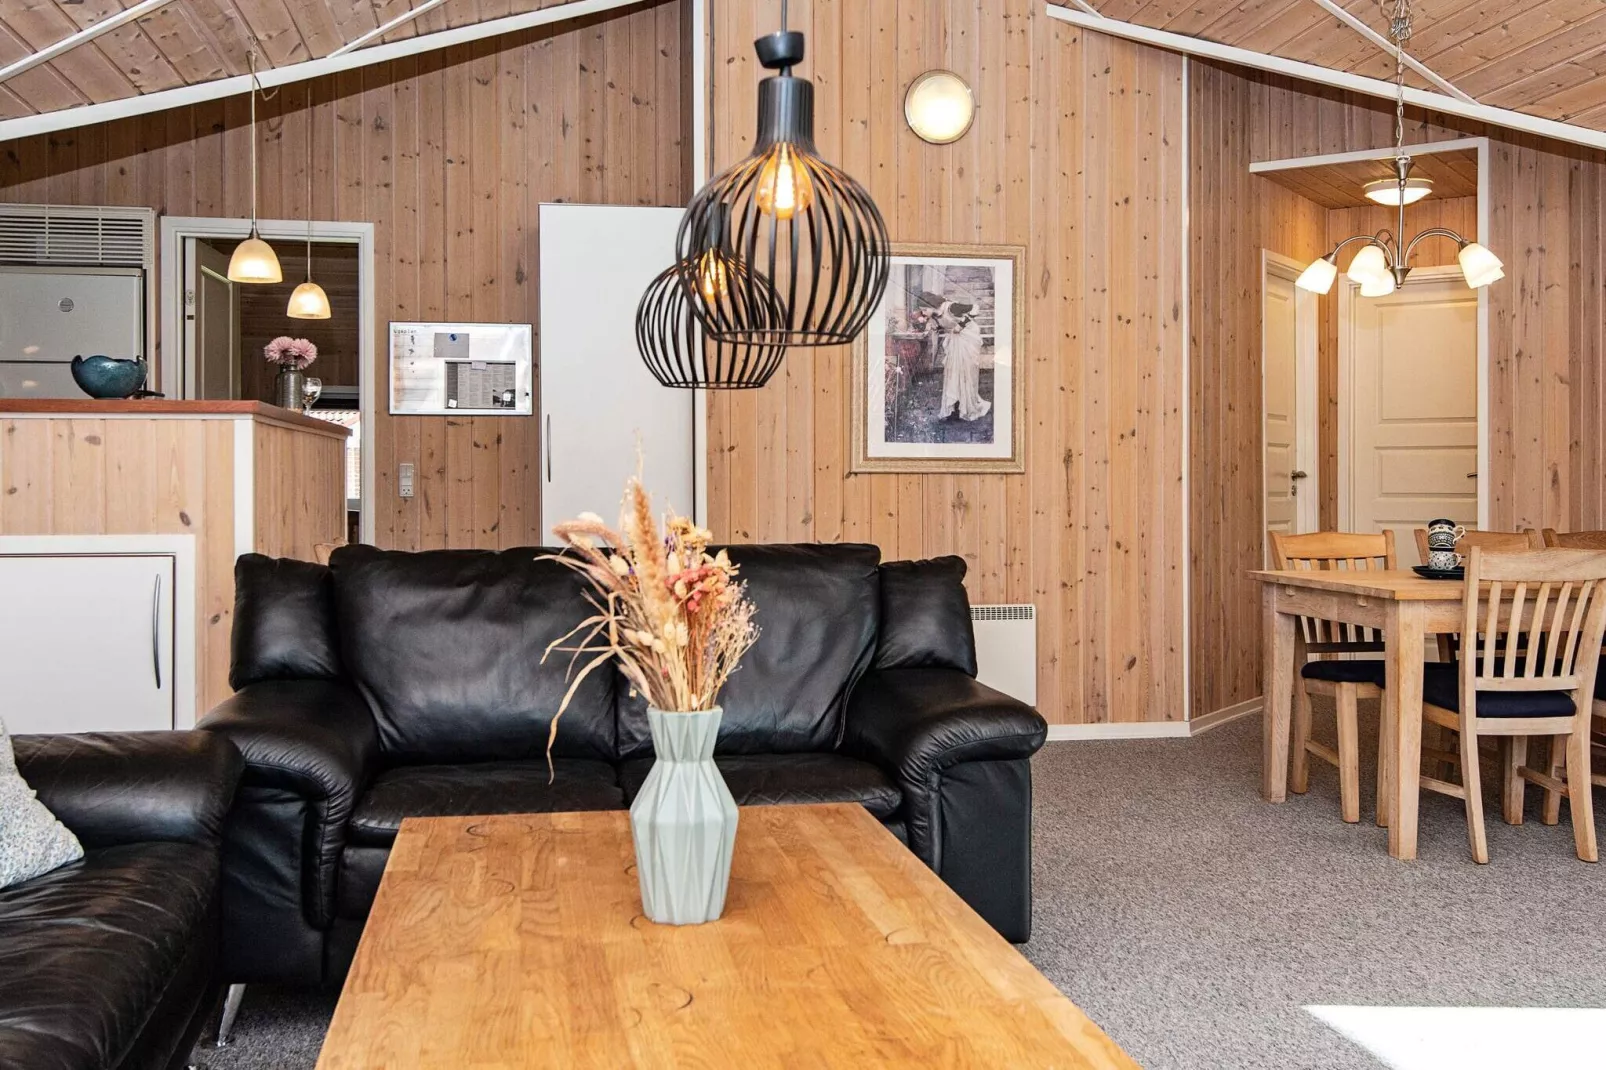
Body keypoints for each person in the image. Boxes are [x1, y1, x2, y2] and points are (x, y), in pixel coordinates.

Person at [936, 300, 990, 422]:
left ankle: (966, 405)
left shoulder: (952, 307)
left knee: (966, 372)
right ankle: (955, 405)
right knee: (954, 371)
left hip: (967, 339)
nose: (923, 313)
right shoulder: (938, 313)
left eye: (924, 310)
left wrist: (961, 325)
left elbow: (975, 307)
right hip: (956, 340)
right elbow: (949, 322)